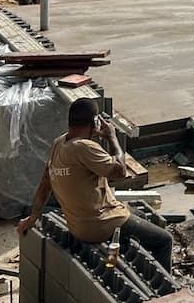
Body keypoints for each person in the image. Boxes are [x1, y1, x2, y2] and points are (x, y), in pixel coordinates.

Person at [16, 97, 173, 271]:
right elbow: (120, 171)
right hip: (101, 224)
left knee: (140, 217)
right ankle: (167, 294)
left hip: (78, 225)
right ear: (95, 122)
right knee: (164, 240)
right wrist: (112, 138)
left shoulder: (59, 143)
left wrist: (33, 217)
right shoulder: (84, 147)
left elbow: (45, 185)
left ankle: (128, 261)